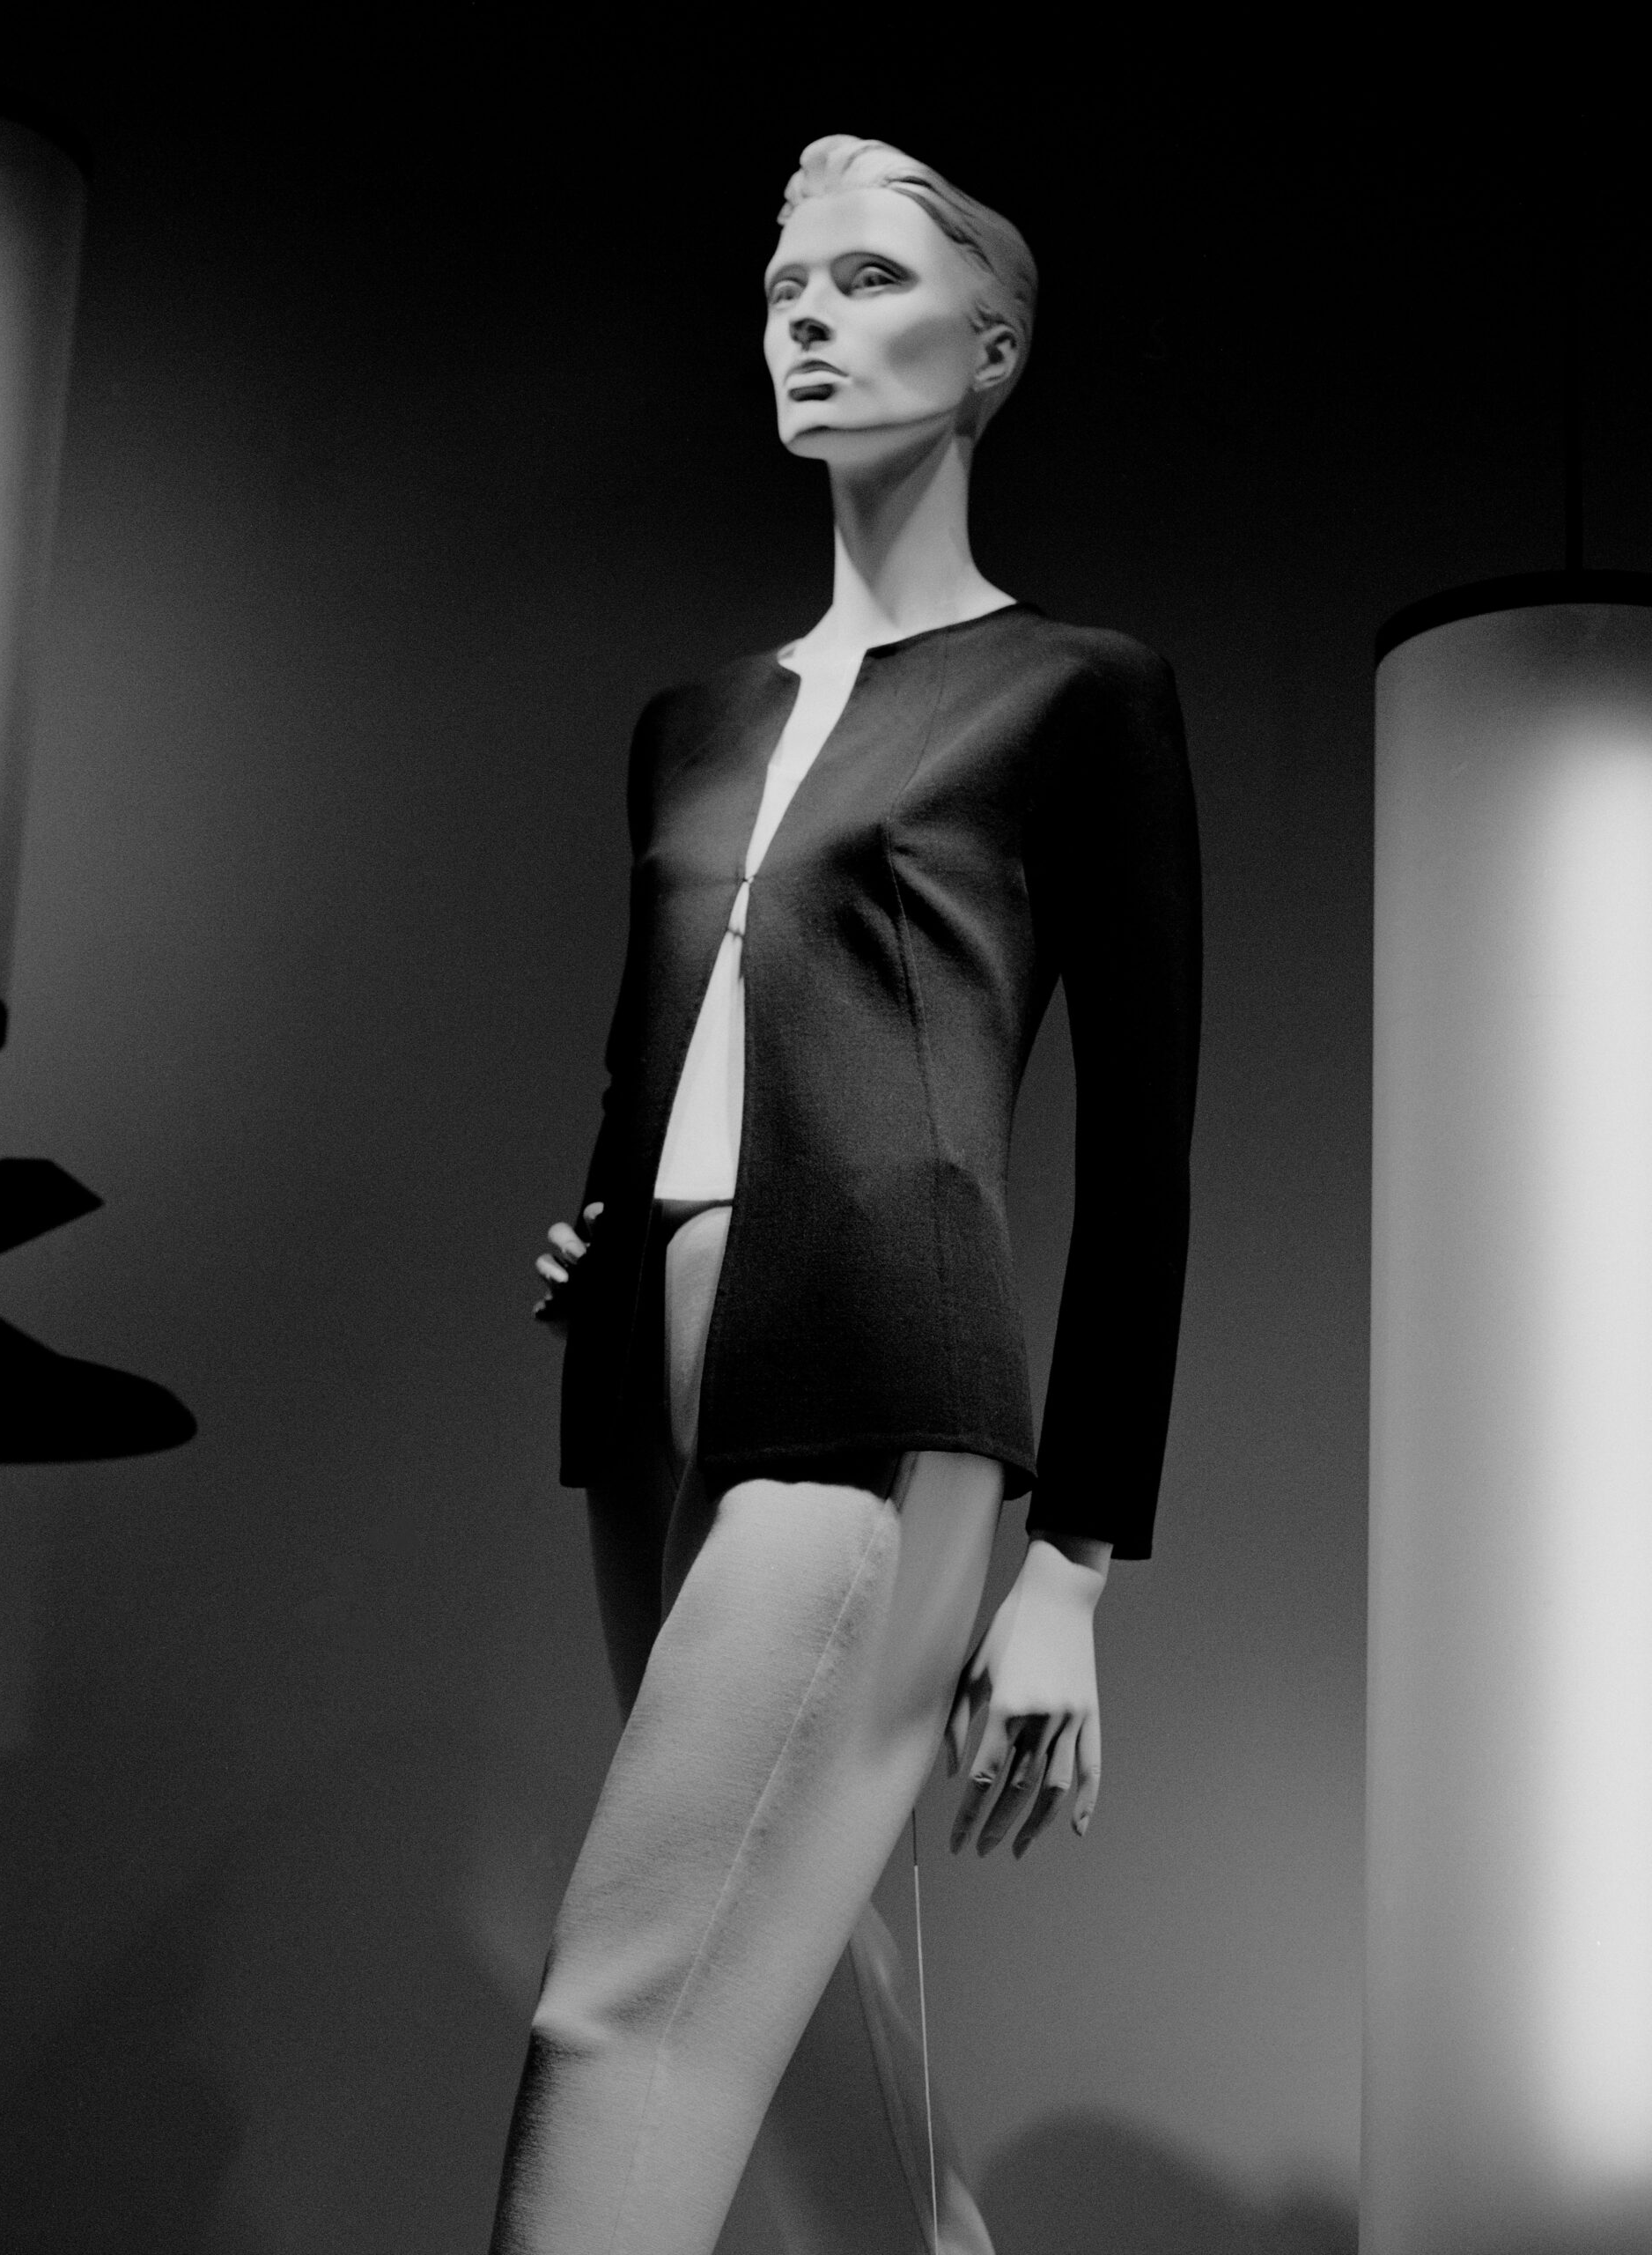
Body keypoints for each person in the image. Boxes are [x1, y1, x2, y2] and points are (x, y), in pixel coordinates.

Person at [489, 135, 1202, 2255]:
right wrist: (615, 1207)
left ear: (988, 351)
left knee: (627, 2000)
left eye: (867, 279)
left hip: (882, 1362)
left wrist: (1071, 1564)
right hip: (646, 1375)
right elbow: (666, 1036)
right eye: (784, 286)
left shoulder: (1072, 693)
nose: (805, 315)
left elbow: (1140, 1143)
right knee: (806, 2011)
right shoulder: (691, 722)